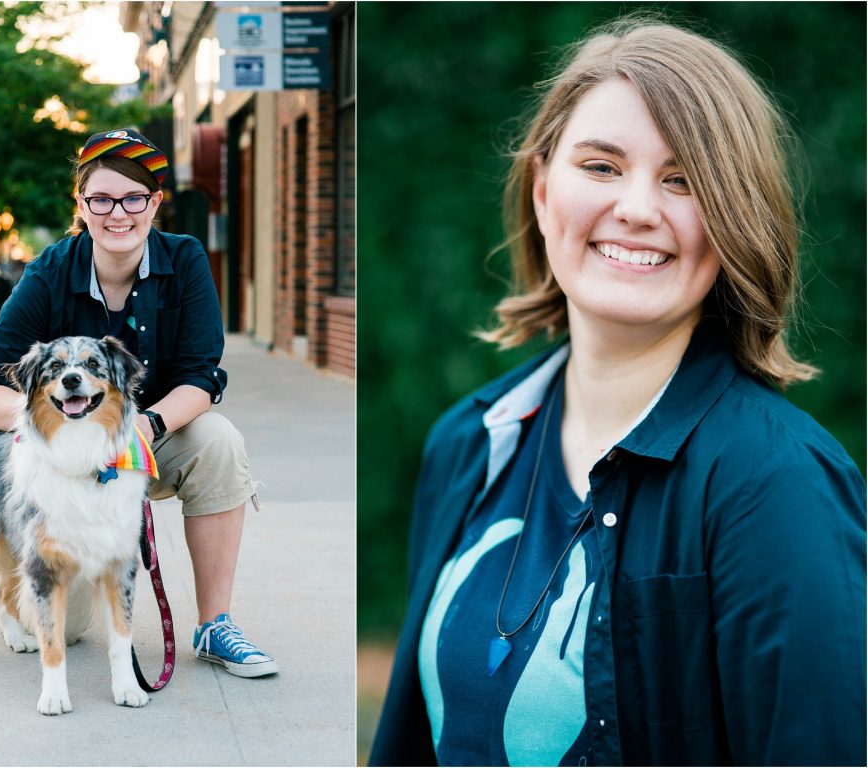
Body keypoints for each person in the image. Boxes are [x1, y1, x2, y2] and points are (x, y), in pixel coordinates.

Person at [369, 17, 865, 767]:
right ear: (542, 191)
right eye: (601, 166)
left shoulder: (779, 484)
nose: (637, 207)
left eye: (683, 180)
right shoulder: (469, 444)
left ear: (735, 220)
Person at [0, 128, 277, 679]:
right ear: (81, 205)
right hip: (69, 463)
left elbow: (202, 377)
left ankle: (214, 624)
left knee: (220, 440)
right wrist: (52, 439)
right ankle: (19, 597)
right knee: (72, 630)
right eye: (101, 199)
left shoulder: (184, 260)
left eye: (133, 199)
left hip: (154, 439)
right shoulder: (49, 271)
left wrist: (146, 426)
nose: (118, 214)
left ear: (155, 202)